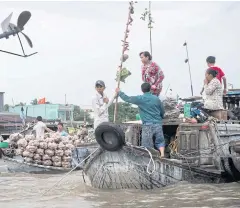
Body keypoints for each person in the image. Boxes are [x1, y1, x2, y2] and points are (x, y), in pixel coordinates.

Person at [115, 82, 165, 157]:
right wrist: (160, 117)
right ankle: (162, 154)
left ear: (142, 90)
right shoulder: (156, 99)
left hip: (147, 125)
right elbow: (162, 111)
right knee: (160, 141)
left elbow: (127, 98)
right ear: (150, 89)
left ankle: (150, 158)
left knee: (147, 145)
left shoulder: (140, 99)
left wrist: (119, 92)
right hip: (157, 124)